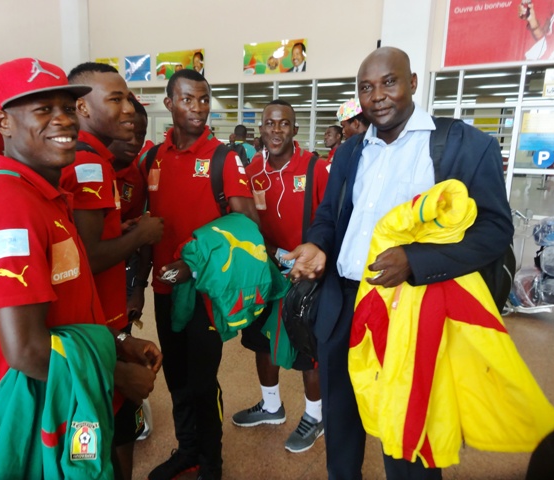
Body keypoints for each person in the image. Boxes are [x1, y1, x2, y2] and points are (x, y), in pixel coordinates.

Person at [284, 46, 513, 479]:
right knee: (342, 425)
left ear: (413, 82)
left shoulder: (463, 145)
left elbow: (495, 229)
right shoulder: (351, 151)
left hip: (411, 310)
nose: (377, 96)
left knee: (408, 435)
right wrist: (318, 244)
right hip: (343, 304)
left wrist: (416, 259)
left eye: (389, 82)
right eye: (365, 87)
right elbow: (330, 215)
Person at [0, 57, 162, 477]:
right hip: (39, 413)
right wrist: (116, 375)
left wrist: (116, 342)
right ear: (1, 122)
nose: (64, 120)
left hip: (67, 399)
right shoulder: (10, 206)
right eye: (43, 109)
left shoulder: (45, 197)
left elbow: (66, 309)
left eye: (68, 108)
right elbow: (26, 350)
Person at [144, 69, 257, 480]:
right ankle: (187, 450)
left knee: (202, 382)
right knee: (176, 376)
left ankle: (211, 462)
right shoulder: (152, 158)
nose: (198, 108)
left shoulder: (223, 158)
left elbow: (248, 227)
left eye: (204, 99)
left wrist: (193, 263)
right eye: (188, 99)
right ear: (169, 103)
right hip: (163, 290)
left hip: (205, 294)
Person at [61, 61, 164, 480]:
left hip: (103, 324)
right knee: (103, 435)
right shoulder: (91, 163)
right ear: (83, 108)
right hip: (92, 324)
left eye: (127, 99)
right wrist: (142, 235)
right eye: (115, 99)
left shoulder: (92, 158)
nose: (127, 109)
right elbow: (87, 257)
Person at [233, 100, 329, 453]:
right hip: (266, 273)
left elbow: (332, 218)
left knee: (307, 349)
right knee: (262, 341)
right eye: (270, 123)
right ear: (261, 129)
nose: (276, 130)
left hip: (306, 277)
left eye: (284, 123)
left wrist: (315, 259)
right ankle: (271, 406)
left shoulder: (315, 168)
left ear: (295, 129)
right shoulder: (250, 171)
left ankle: (316, 416)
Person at [108, 95, 151, 327]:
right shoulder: (83, 166)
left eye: (141, 135)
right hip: (82, 274)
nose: (135, 141)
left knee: (122, 332)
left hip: (121, 272)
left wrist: (138, 289)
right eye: (128, 132)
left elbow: (138, 238)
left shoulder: (136, 178)